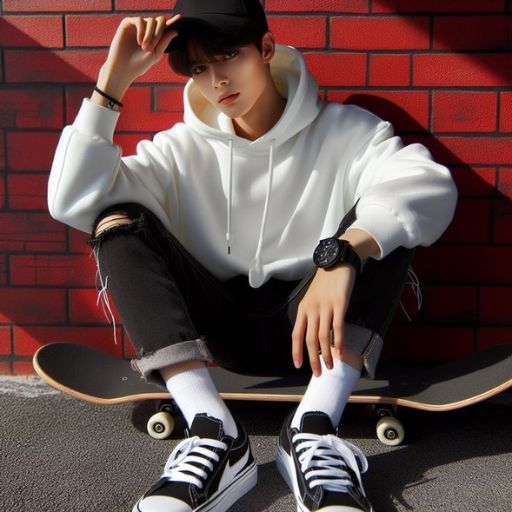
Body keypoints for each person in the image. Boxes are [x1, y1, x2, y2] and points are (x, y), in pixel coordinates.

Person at [48, 1, 457, 511]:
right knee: (115, 220)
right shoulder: (178, 151)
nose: (216, 80)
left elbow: (429, 187)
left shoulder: (346, 132)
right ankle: (213, 432)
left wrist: (344, 254)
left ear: (265, 49)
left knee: (382, 223)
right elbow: (71, 201)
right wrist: (112, 82)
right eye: (199, 68)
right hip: (219, 332)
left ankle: (313, 430)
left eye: (228, 56)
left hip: (318, 334)